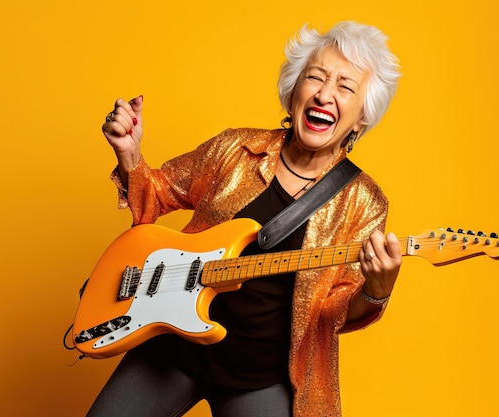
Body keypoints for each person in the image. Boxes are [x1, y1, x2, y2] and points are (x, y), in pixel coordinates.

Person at [88, 21, 402, 417]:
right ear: (293, 92)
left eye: (345, 86)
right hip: (171, 346)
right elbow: (159, 193)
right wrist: (130, 154)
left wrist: (377, 288)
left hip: (260, 376)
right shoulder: (234, 149)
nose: (325, 93)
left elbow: (333, 312)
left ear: (361, 118)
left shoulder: (364, 202)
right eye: (316, 77)